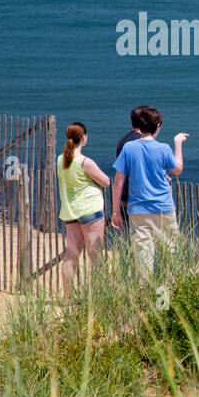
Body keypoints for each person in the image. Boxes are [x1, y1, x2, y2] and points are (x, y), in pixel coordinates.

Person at [110, 106, 187, 275]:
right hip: (163, 208)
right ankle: (168, 292)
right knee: (170, 252)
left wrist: (116, 211)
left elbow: (118, 182)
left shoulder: (129, 148)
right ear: (158, 126)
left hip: (138, 210)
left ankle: (145, 296)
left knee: (143, 257)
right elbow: (177, 169)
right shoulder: (164, 148)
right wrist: (178, 143)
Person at [56, 122, 112, 298]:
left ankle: (68, 298)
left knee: (71, 256)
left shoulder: (60, 159)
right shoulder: (85, 162)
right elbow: (106, 182)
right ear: (84, 137)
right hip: (90, 211)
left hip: (70, 212)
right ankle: (98, 296)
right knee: (95, 256)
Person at [114, 106, 148, 233]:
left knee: (136, 237)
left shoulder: (123, 139)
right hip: (139, 198)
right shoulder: (139, 142)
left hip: (126, 197)